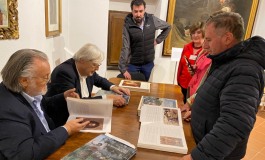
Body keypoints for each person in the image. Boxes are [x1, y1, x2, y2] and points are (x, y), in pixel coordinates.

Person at [181, 11, 265, 160]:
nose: (204, 45)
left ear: (227, 38)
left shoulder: (245, 70)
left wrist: (197, 157)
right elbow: (215, 95)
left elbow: (235, 124)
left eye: (208, 39)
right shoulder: (225, 60)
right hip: (205, 142)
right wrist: (200, 113)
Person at [0, 49, 89, 159]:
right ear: (24, 81)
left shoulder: (23, 89)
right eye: (45, 77)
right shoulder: (8, 110)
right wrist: (67, 129)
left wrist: (63, 97)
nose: (49, 81)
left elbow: (40, 106)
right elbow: (24, 154)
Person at [46, 43, 130, 127]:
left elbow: (99, 80)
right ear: (82, 60)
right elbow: (75, 103)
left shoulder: (86, 69)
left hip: (82, 114)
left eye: (98, 65)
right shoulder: (64, 73)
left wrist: (113, 87)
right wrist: (106, 99)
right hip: (65, 121)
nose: (97, 68)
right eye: (94, 64)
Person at [118, 0, 171, 81]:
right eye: (135, 11)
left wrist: (157, 40)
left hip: (148, 64)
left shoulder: (152, 19)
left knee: (144, 85)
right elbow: (125, 46)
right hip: (133, 64)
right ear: (132, 11)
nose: (138, 14)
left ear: (145, 10)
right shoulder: (127, 25)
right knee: (131, 87)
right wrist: (123, 68)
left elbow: (168, 27)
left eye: (141, 11)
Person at [181, 45, 212, 122]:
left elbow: (207, 87)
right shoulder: (203, 53)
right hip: (193, 90)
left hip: (199, 96)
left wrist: (190, 103)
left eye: (209, 40)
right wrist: (194, 71)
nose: (205, 43)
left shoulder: (214, 59)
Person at [177, 22, 205, 103]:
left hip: (196, 87)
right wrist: (178, 81)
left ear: (204, 33)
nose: (195, 35)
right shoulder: (187, 47)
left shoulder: (206, 50)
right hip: (183, 83)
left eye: (198, 32)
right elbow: (180, 65)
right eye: (193, 33)